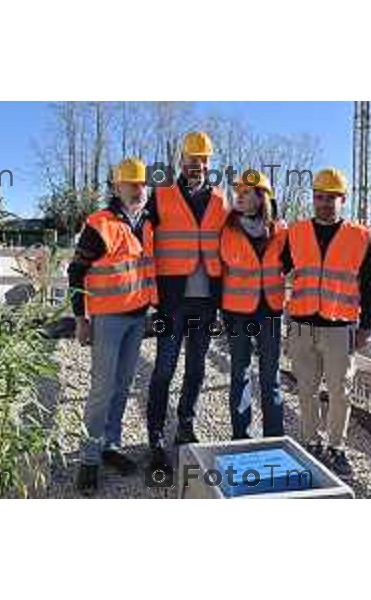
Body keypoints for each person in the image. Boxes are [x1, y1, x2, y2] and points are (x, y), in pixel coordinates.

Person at [67, 158, 157, 492]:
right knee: (101, 390)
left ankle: (111, 446)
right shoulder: (99, 224)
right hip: (107, 320)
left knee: (123, 386)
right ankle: (88, 460)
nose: (138, 189)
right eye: (131, 184)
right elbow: (75, 272)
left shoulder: (147, 223)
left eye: (142, 183)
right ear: (116, 187)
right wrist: (81, 318)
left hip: (137, 318)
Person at [284, 167, 371, 475]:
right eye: (319, 197)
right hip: (302, 326)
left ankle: (336, 448)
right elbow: (272, 266)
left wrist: (367, 325)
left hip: (340, 328)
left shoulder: (360, 236)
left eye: (331, 198)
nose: (324, 203)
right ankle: (311, 442)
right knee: (306, 389)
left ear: (343, 200)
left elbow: (369, 284)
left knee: (341, 391)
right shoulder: (295, 232)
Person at [146, 132, 229, 467]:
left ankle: (185, 425)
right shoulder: (161, 194)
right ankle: (154, 435)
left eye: (204, 160)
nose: (199, 165)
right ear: (181, 160)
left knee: (196, 369)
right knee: (164, 369)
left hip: (205, 302)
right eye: (193, 159)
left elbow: (235, 243)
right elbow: (140, 234)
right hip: (172, 300)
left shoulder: (221, 200)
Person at [220, 171, 287, 440]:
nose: (240, 197)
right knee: (240, 373)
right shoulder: (227, 230)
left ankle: (274, 437)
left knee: (271, 378)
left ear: (262, 197)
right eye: (238, 193)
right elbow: (219, 270)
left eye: (246, 192)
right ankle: (241, 435)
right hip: (236, 312)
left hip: (269, 311)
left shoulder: (282, 231)